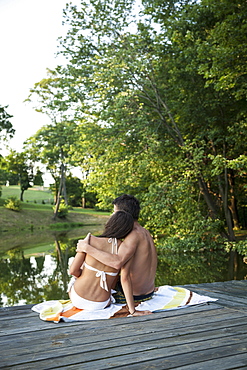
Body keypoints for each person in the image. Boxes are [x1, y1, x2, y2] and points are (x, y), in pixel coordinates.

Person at [76, 194, 157, 315]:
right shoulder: (145, 231)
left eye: (114, 212)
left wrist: (86, 248)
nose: (112, 216)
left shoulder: (132, 236)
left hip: (134, 296)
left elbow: (117, 263)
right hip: (149, 291)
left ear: (121, 214)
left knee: (90, 271)